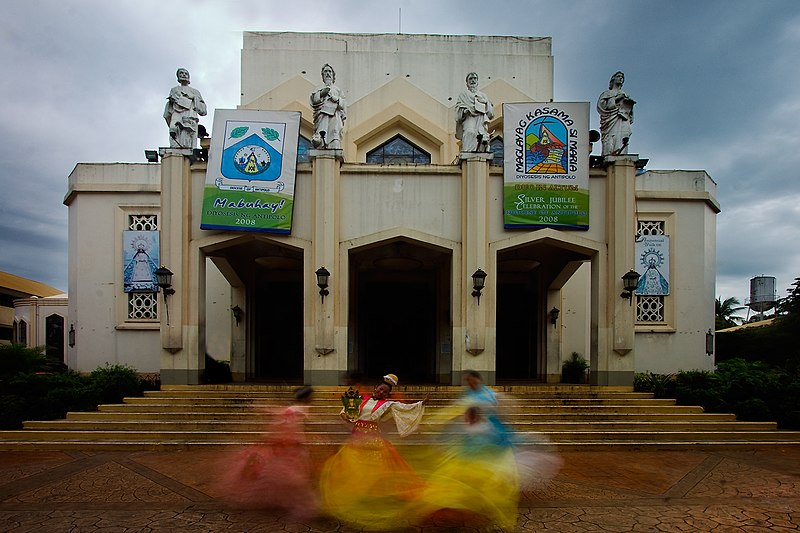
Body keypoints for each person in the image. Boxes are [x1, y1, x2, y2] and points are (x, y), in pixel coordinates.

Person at [320, 373, 428, 530]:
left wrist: (421, 403)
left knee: (377, 466)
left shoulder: (388, 404)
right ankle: (353, 493)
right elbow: (347, 411)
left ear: (388, 394)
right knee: (350, 464)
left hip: (373, 439)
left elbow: (404, 408)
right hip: (357, 437)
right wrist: (346, 416)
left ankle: (373, 494)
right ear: (376, 388)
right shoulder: (361, 399)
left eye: (385, 391)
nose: (382, 392)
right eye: (381, 389)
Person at [213, 386, 319, 518]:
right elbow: (289, 426)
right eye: (310, 396)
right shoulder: (296, 410)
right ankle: (303, 505)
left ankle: (294, 501)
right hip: (289, 447)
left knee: (290, 474)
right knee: (292, 475)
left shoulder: (296, 409)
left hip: (291, 446)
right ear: (306, 397)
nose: (312, 398)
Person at [163, 68, 207, 149]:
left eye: (185, 73)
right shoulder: (174, 90)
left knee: (188, 135)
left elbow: (203, 110)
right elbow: (170, 107)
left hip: (190, 115)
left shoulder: (195, 92)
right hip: (177, 114)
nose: (183, 75)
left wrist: (193, 98)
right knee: (174, 130)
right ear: (178, 77)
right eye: (181, 73)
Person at [596, 71, 635, 156]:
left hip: (623, 118)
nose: (620, 78)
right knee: (610, 136)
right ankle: (609, 153)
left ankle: (622, 152)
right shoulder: (607, 93)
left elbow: (630, 111)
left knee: (624, 135)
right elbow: (602, 106)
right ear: (613, 79)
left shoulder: (625, 94)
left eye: (622, 77)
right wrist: (616, 99)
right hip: (610, 119)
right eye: (618, 76)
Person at [455, 72, 494, 152]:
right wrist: (464, 111)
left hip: (480, 118)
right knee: (470, 132)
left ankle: (480, 151)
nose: (473, 80)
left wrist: (485, 102)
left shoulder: (482, 95)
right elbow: (458, 109)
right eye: (470, 79)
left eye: (474, 78)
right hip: (469, 117)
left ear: (477, 81)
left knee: (481, 135)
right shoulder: (463, 95)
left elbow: (490, 113)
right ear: (467, 83)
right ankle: (468, 152)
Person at [310, 64, 346, 149]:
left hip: (334, 115)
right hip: (322, 115)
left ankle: (334, 145)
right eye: (325, 71)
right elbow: (314, 100)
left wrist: (336, 99)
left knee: (334, 131)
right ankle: (321, 144)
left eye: (329, 71)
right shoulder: (319, 88)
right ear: (322, 75)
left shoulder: (337, 89)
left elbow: (343, 104)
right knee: (322, 131)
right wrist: (322, 93)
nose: (328, 73)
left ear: (333, 75)